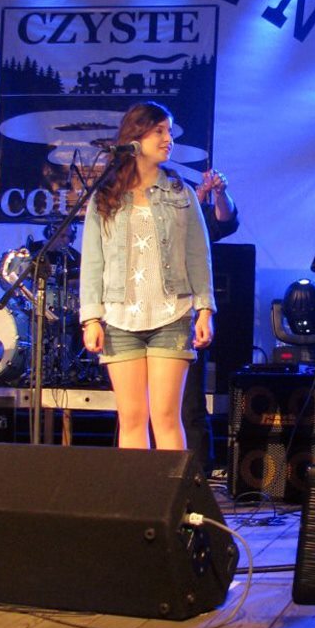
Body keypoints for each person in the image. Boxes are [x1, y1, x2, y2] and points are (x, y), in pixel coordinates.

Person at [79, 102, 216, 449]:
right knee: (131, 418)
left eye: (169, 131)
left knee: (166, 417)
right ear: (135, 137)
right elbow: (92, 261)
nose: (168, 139)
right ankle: (137, 488)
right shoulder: (105, 196)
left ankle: (172, 487)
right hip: (119, 319)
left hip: (171, 315)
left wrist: (204, 309)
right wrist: (91, 318)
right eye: (159, 131)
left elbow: (198, 255)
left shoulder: (181, 193)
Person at [182, 169, 239, 471]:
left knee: (189, 404)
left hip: (187, 315)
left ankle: (198, 477)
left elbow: (225, 221)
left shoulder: (196, 215)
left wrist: (218, 193)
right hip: (144, 314)